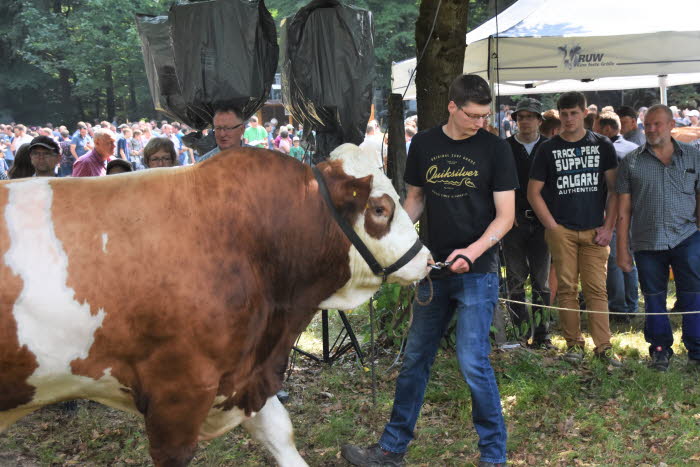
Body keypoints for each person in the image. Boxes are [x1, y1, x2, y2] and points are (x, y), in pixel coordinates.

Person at [342, 74, 517, 467]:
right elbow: (415, 201)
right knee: (415, 359)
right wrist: (396, 241)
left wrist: (471, 252)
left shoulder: (496, 149)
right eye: (472, 115)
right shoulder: (424, 143)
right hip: (433, 270)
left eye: (485, 115)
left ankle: (494, 457)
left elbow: (505, 217)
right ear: (452, 107)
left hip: (478, 271)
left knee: (473, 362)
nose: (480, 122)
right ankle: (391, 449)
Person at [528, 91, 621, 366]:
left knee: (597, 289)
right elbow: (534, 192)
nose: (569, 119)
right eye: (564, 114)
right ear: (559, 115)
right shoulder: (548, 148)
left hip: (595, 229)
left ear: (584, 114)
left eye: (574, 113)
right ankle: (574, 345)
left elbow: (615, 190)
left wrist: (608, 227)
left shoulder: (602, 144)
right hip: (562, 230)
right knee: (567, 288)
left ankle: (603, 347)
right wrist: (552, 226)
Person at [616, 104, 700, 371]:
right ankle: (660, 350)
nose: (651, 129)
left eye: (657, 124)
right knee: (653, 297)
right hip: (647, 240)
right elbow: (623, 209)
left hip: (687, 237)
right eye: (647, 124)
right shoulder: (631, 161)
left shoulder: (693, 157)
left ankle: (697, 349)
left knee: (693, 296)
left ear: (671, 124)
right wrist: (621, 249)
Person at [502, 98, 552, 348]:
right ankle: (521, 334)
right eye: (520, 117)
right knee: (515, 279)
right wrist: (506, 217)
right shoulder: (505, 147)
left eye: (530, 116)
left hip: (543, 222)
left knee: (542, 282)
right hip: (513, 222)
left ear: (539, 120)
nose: (524, 121)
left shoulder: (550, 146)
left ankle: (543, 335)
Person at [597, 111, 640, 322]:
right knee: (630, 258)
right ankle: (632, 304)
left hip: (612, 211)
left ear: (605, 129)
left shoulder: (604, 151)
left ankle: (619, 307)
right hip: (635, 211)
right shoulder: (635, 149)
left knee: (614, 260)